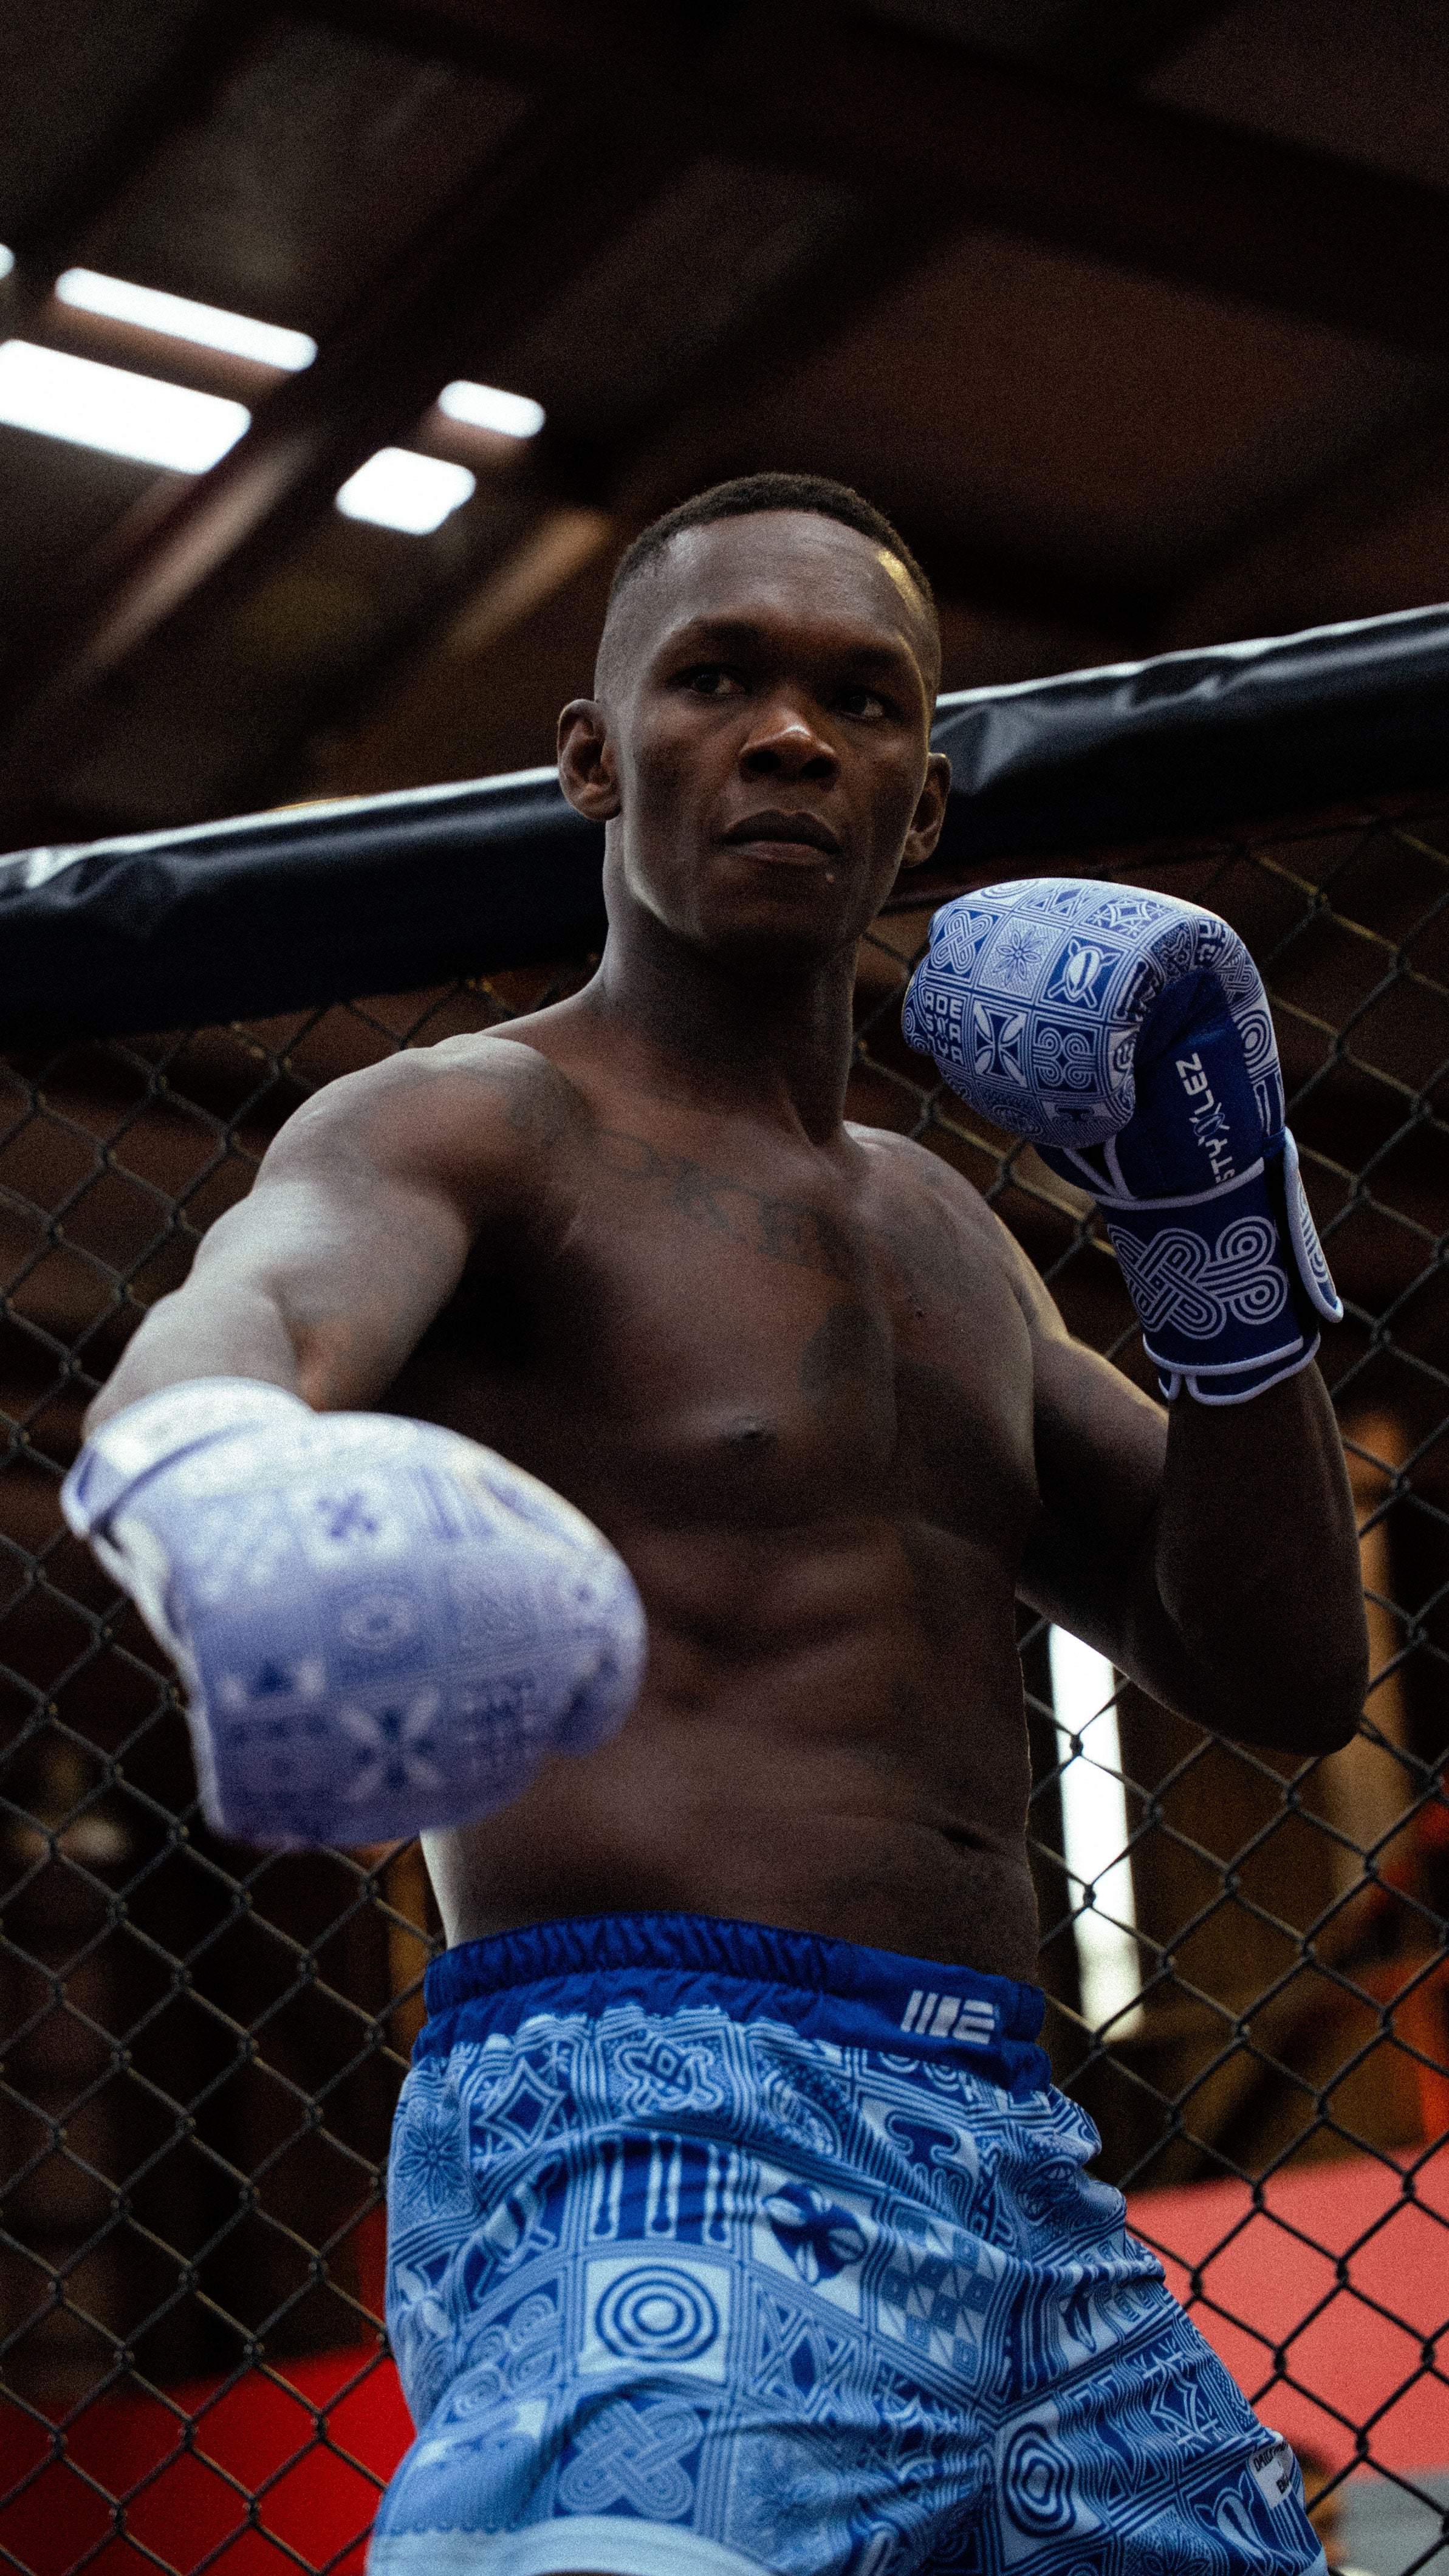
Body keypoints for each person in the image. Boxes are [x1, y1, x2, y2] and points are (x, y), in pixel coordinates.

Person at [65, 474, 1368, 2576]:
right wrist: (228, 1466)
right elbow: (255, 1310)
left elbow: (1283, 1668)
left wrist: (1215, 1243)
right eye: (718, 680)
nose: (788, 737)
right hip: (646, 2099)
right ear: (592, 758)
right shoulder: (474, 1120)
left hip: (1014, 2148)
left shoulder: (954, 1239)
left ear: (920, 803)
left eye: (861, 700)